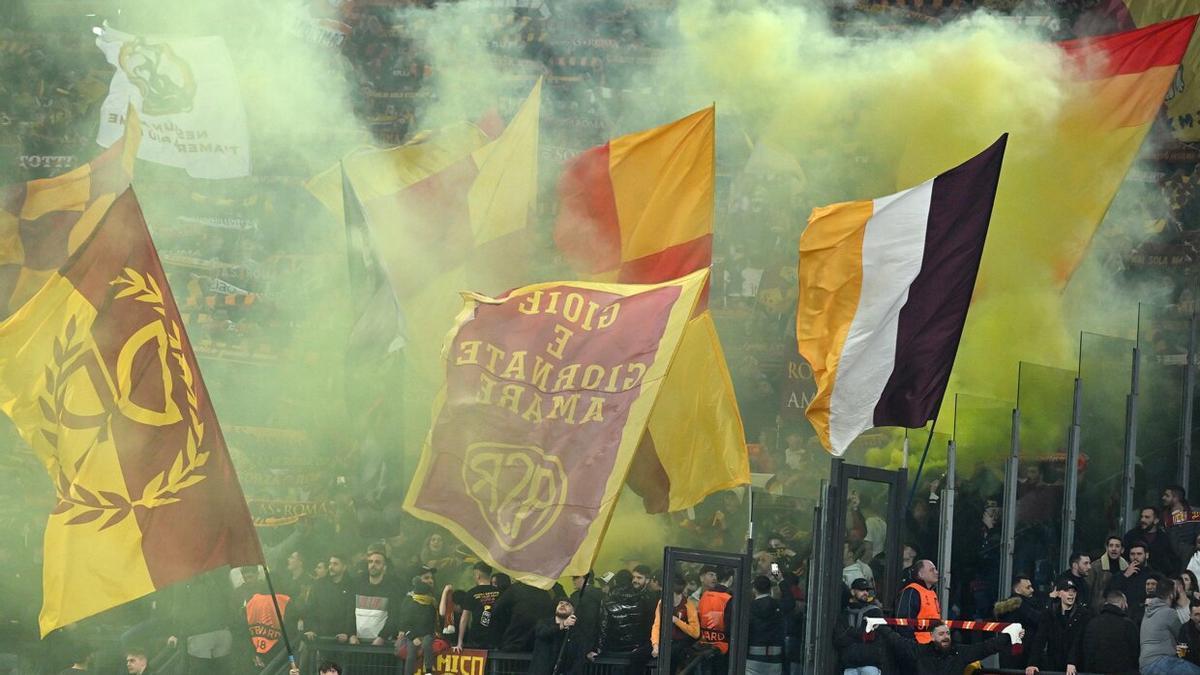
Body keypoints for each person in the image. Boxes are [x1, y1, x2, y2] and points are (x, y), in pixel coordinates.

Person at [870, 620, 1018, 675]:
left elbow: (986, 647)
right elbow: (897, 641)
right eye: (941, 634)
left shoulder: (960, 652)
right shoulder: (920, 650)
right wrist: (880, 626)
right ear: (932, 637)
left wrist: (1009, 636)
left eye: (947, 633)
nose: (946, 636)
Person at [1025, 577, 1093, 675]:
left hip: (1075, 667)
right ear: (1059, 594)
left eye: (1073, 591)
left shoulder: (1083, 614)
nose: (1071, 594)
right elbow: (1040, 639)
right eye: (1067, 590)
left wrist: (1072, 662)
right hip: (1053, 665)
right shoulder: (1049, 613)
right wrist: (1032, 663)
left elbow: (1079, 641)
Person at [592, 569, 654, 673]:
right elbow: (647, 626)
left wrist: (597, 649)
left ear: (615, 582)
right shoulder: (643, 599)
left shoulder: (608, 600)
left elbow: (603, 627)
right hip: (636, 651)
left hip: (614, 651)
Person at [1140, 574, 1200, 674]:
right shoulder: (1169, 613)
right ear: (1172, 594)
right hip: (1161, 661)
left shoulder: (1148, 612)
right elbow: (1184, 634)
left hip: (1145, 665)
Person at [1079, 589, 1140, 675]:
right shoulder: (1129, 625)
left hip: (1095, 671)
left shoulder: (1092, 623)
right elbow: (1135, 653)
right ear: (1122, 604)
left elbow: (1087, 650)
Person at [348, 546, 401, 645]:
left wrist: (382, 637)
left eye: (377, 562)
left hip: (379, 644)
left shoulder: (392, 589)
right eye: (370, 562)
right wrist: (351, 634)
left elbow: (394, 617)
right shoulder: (357, 586)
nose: (373, 565)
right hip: (357, 643)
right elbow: (349, 612)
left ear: (384, 567)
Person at [833, 578, 885, 675]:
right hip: (849, 665)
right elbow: (838, 639)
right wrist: (861, 635)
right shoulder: (845, 613)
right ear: (853, 591)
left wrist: (851, 632)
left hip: (870, 664)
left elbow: (874, 635)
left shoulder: (874, 611)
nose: (865, 592)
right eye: (861, 590)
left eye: (867, 590)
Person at [650, 576, 699, 672]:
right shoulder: (662, 603)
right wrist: (655, 645)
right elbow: (657, 626)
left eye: (672, 596)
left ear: (679, 594)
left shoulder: (688, 605)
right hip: (664, 641)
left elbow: (695, 632)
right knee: (638, 655)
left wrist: (677, 621)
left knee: (672, 654)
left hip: (681, 642)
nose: (669, 598)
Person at [993, 575, 1042, 670]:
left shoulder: (1007, 607)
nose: (1032, 590)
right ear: (1017, 590)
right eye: (1028, 587)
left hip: (1008, 655)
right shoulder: (1022, 606)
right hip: (1023, 657)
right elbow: (1041, 620)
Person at [302, 553, 353, 641]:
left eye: (335, 564)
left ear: (344, 567)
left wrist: (347, 633)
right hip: (319, 636)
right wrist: (310, 629)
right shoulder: (318, 585)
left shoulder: (351, 586)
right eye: (330, 563)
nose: (331, 567)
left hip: (342, 638)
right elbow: (310, 609)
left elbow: (351, 612)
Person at [491, 581, 555, 652]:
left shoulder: (515, 589)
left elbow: (497, 610)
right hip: (538, 644)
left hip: (515, 640)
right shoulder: (546, 593)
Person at [746, 575, 789, 674]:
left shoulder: (749, 607)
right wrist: (780, 578)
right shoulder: (777, 605)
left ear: (754, 589)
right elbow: (790, 601)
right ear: (770, 589)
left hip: (753, 655)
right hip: (775, 656)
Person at [396, 575, 438, 675]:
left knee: (427, 645)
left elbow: (432, 622)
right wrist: (413, 637)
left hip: (427, 634)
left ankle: (428, 671)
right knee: (411, 655)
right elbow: (405, 623)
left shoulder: (431, 603)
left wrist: (428, 635)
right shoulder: (409, 602)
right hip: (412, 634)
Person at [530, 599, 586, 675]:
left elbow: (578, 659)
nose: (563, 605)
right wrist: (562, 625)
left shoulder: (576, 632)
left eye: (567, 604)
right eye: (561, 603)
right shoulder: (544, 623)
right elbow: (542, 633)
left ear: (573, 612)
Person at [895, 560, 941, 644]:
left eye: (935, 569)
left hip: (932, 644)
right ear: (921, 574)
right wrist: (912, 645)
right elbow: (904, 623)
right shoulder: (912, 590)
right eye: (932, 570)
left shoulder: (932, 592)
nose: (936, 572)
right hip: (919, 645)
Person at [457, 562, 500, 650]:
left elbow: (464, 618)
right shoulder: (500, 592)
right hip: (496, 637)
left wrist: (459, 642)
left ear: (477, 575)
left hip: (476, 638)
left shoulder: (472, 593)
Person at [1126, 507, 1175, 574]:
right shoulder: (1131, 535)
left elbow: (1171, 561)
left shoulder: (1164, 538)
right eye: (1142, 517)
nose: (1142, 520)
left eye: (1147, 517)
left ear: (1156, 520)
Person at [1163, 486, 1200, 572]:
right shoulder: (1163, 516)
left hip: (1192, 558)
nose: (1163, 498)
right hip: (1169, 561)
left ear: (1176, 498)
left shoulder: (1195, 513)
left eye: (1167, 495)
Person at [1113, 542, 1156, 613]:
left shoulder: (1154, 576)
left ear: (1147, 555)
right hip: (1124, 616)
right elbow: (1111, 593)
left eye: (1139, 554)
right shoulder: (1120, 575)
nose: (1135, 557)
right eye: (1132, 554)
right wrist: (1125, 576)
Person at [1088, 536, 1129, 609]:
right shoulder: (1095, 567)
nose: (1114, 549)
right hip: (1098, 611)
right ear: (1106, 548)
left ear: (1122, 550)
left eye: (1117, 546)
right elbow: (1088, 590)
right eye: (1111, 546)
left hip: (1121, 611)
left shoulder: (1127, 568)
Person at [569, 574, 604, 656]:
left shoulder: (579, 597)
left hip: (580, 644)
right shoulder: (600, 594)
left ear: (586, 578)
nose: (573, 580)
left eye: (576, 577)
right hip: (594, 644)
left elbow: (587, 622)